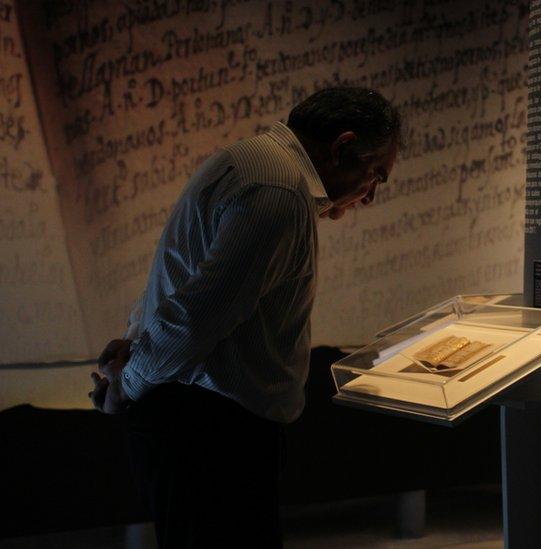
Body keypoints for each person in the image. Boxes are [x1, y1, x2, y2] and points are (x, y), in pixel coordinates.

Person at [88, 87, 400, 548]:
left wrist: (130, 367)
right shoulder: (277, 191)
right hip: (210, 437)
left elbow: (178, 275)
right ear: (342, 147)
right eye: (376, 175)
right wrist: (126, 385)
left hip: (199, 427)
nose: (370, 195)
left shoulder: (252, 160)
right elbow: (197, 317)